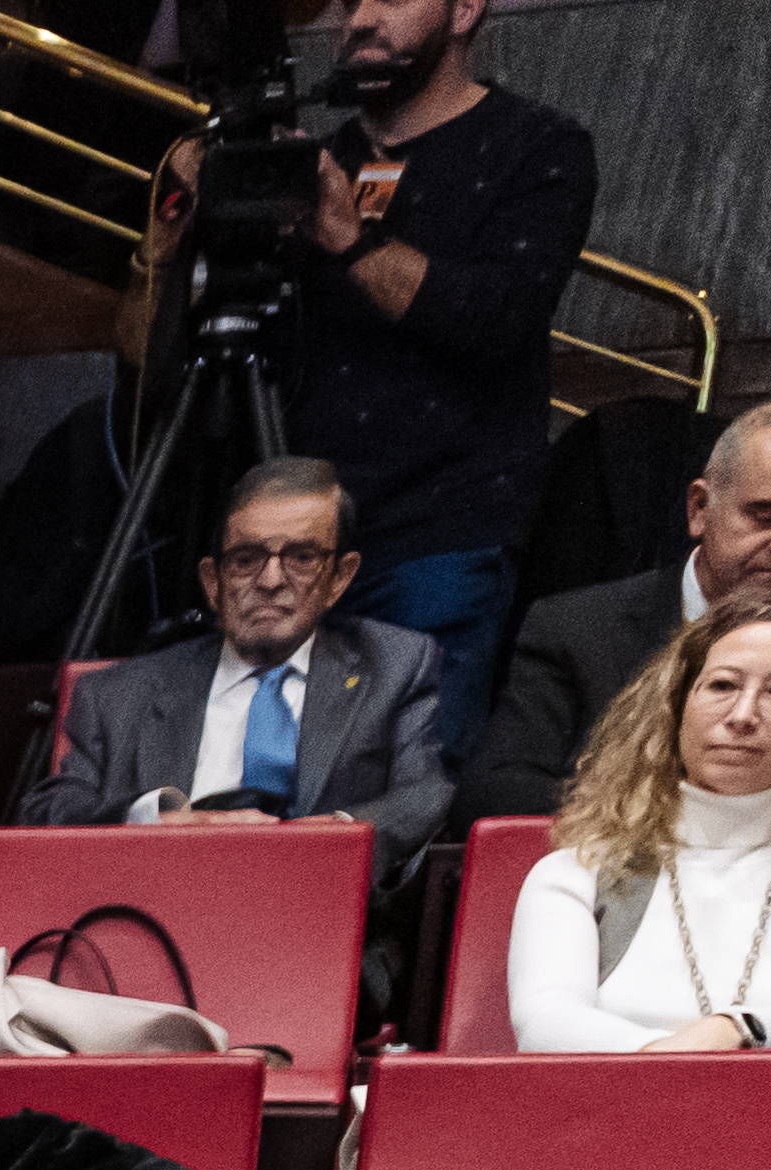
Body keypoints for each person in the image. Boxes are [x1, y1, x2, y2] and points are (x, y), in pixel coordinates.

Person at [152, 0, 593, 762]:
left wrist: (349, 240)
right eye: (349, 2)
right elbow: (157, 357)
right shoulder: (312, 159)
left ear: (464, 11)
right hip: (287, 538)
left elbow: (497, 319)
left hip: (441, 531)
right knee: (262, 775)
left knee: (405, 784)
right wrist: (169, 243)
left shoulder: (536, 145)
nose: (359, 19)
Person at [467, 396, 771, 828]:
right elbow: (497, 790)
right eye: (765, 514)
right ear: (700, 508)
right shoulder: (577, 627)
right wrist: (705, 822)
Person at [502, 590, 771, 1054]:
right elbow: (545, 1024)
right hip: (599, 1117)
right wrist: (685, 1063)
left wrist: (728, 1032)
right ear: (679, 702)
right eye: (722, 685)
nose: (742, 716)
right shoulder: (575, 869)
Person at [17, 459, 454, 862]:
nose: (271, 580)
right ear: (213, 581)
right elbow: (46, 812)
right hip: (161, 913)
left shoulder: (394, 665)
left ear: (339, 577)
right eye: (246, 560)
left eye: (302, 558)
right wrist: (157, 823)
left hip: (319, 915)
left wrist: (332, 842)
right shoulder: (118, 693)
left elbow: (426, 796)